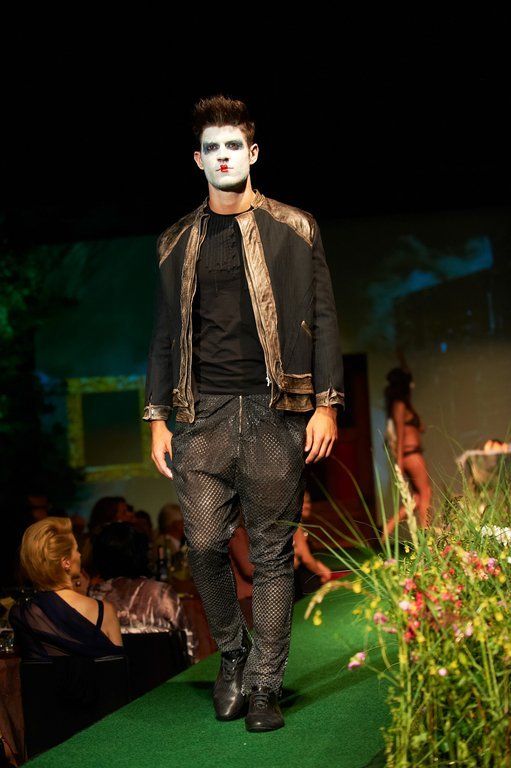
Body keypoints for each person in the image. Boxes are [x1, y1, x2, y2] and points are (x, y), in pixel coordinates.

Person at [142, 95, 345, 731]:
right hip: (198, 413)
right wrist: (156, 418)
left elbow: (325, 320)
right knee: (203, 543)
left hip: (276, 408)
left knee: (272, 552)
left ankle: (264, 685)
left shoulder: (296, 226)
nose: (224, 156)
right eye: (213, 148)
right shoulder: (174, 240)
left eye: (234, 146)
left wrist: (326, 405)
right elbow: (163, 335)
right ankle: (233, 654)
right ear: (197, 159)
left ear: (253, 153)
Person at [9, 517, 123, 660]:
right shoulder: (104, 611)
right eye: (76, 549)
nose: (80, 555)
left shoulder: (23, 615)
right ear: (66, 562)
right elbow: (117, 669)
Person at [87, 522, 198, 662]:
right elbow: (187, 647)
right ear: (142, 553)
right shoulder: (160, 593)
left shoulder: (93, 597)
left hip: (112, 674)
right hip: (162, 672)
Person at [382, 368, 432, 541]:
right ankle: (426, 536)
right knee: (426, 492)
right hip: (410, 454)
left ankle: (388, 527)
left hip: (412, 454)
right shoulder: (399, 405)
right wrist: (399, 464)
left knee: (417, 498)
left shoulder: (404, 405)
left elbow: (422, 427)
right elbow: (400, 434)